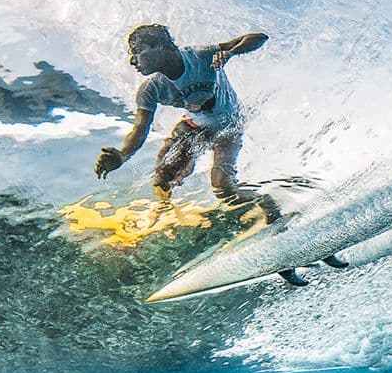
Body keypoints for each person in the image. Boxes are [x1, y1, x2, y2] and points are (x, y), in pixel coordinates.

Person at [93, 22, 344, 285]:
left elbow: (258, 37)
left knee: (223, 187)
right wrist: (121, 156)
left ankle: (273, 207)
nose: (133, 60)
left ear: (161, 46)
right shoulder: (150, 89)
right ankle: (167, 213)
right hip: (194, 128)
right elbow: (139, 129)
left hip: (229, 127)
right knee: (162, 178)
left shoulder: (200, 56)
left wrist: (231, 52)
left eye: (138, 51)